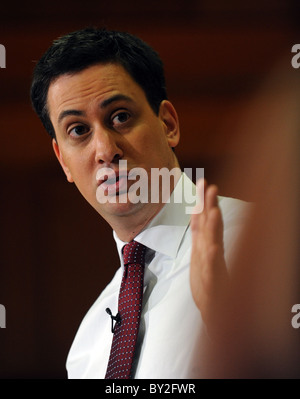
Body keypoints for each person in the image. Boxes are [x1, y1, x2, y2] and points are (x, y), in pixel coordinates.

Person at [30, 27, 249, 379]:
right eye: (78, 130)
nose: (105, 151)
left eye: (120, 116)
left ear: (168, 124)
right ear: (63, 161)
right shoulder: (87, 348)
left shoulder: (263, 240)